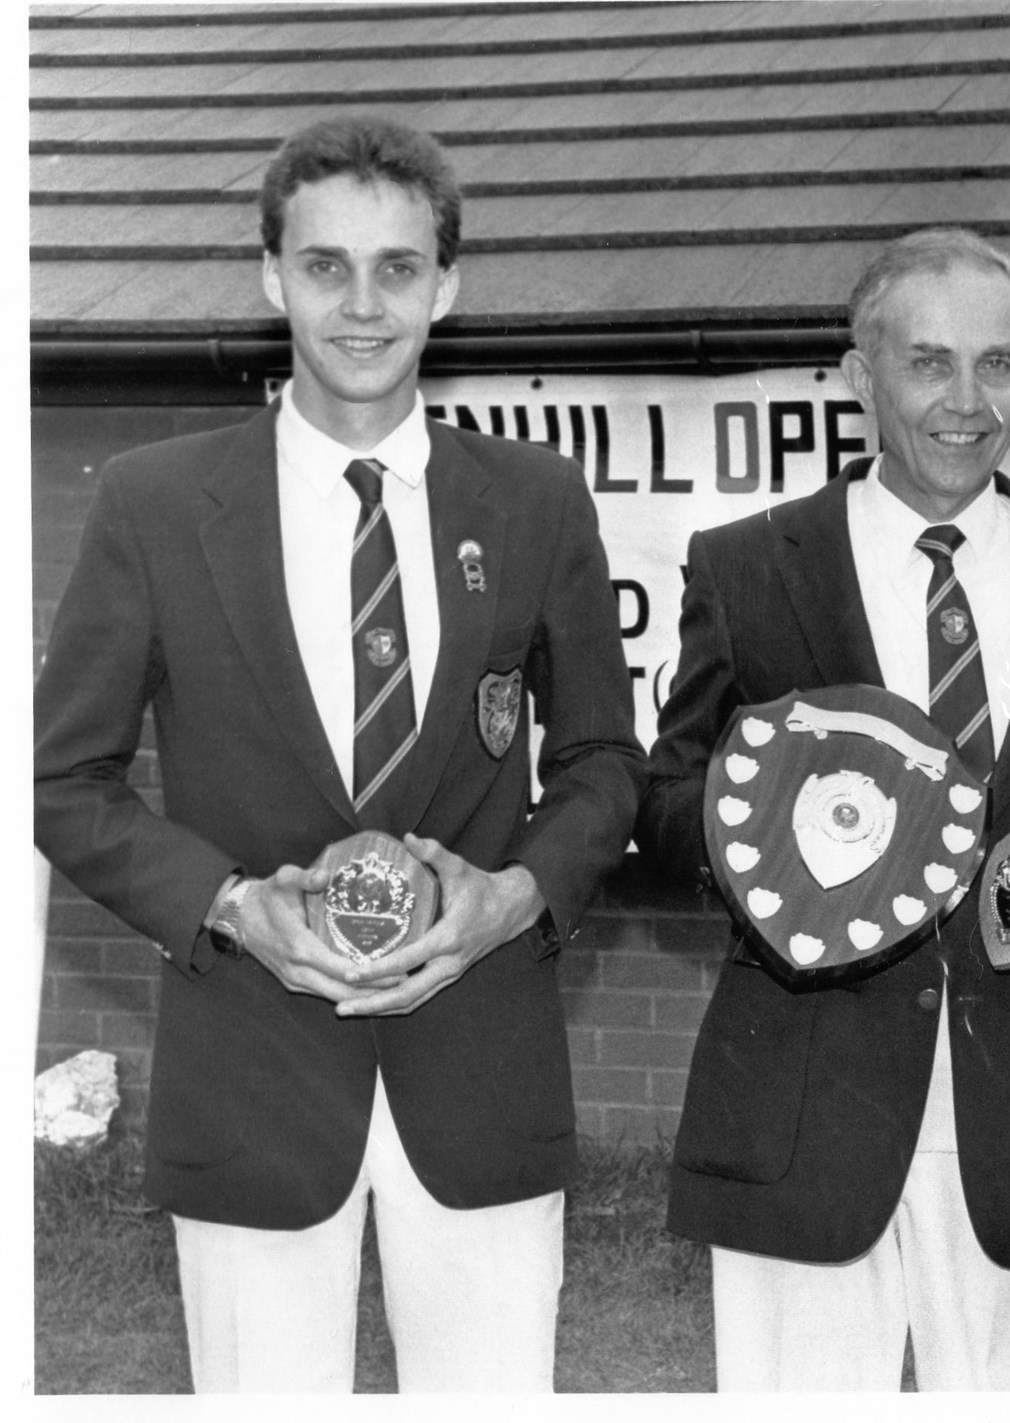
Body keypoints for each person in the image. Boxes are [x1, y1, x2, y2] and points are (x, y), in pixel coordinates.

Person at [34, 116, 645, 1392]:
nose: (363, 306)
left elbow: (600, 762)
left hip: (480, 1070)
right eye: (326, 267)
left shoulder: (536, 499)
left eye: (399, 268)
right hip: (251, 1075)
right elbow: (63, 781)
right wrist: (233, 905)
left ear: (448, 285)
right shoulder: (154, 501)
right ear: (272, 278)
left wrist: (510, 899)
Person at [635, 227, 1010, 1391]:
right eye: (930, 362)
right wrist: (772, 851)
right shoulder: (749, 566)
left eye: (998, 364)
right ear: (861, 374)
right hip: (804, 1097)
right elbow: (668, 797)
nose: (966, 400)